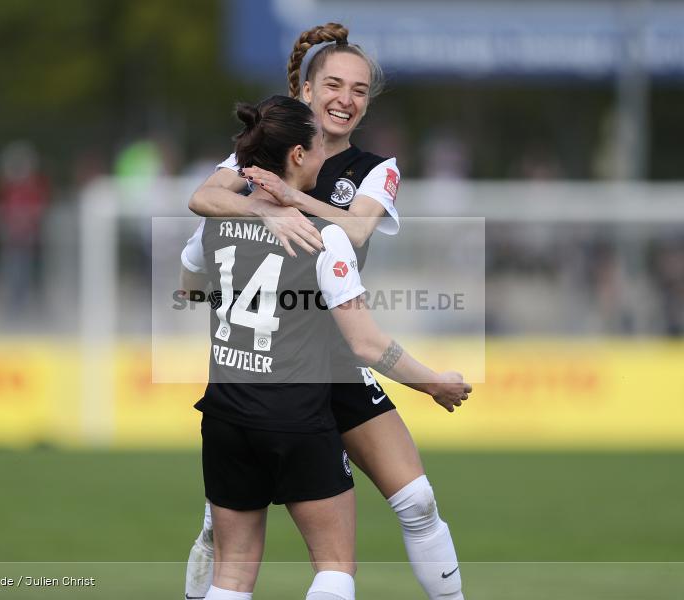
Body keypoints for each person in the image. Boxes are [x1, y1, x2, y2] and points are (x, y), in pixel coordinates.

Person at [184, 24, 470, 600]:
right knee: (234, 537)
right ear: (307, 92)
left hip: (336, 354)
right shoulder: (263, 148)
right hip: (286, 363)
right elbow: (203, 198)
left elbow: (356, 225)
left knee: (417, 499)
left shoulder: (373, 167)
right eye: (334, 85)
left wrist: (285, 197)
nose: (346, 98)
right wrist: (264, 213)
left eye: (360, 90)